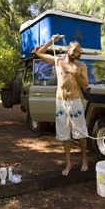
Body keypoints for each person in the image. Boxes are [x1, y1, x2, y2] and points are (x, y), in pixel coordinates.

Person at [36, 34, 88, 176]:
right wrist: (51, 41)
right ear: (68, 48)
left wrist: (76, 74)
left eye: (78, 52)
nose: (76, 54)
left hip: (75, 102)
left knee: (81, 133)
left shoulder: (81, 66)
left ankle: (84, 160)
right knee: (64, 135)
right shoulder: (58, 61)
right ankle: (68, 163)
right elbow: (39, 53)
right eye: (74, 50)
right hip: (61, 103)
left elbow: (85, 86)